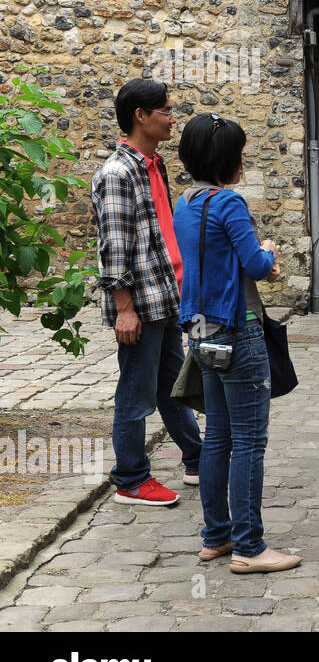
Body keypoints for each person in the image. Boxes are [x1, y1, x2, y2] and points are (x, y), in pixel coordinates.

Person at [172, 112, 300, 574]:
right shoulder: (229, 204)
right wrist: (270, 254)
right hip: (238, 327)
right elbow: (256, 264)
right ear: (229, 160)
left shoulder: (183, 204)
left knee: (219, 437)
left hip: (200, 328)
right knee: (249, 440)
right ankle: (250, 546)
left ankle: (216, 536)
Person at [90, 79, 202, 507]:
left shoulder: (153, 165)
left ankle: (196, 458)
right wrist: (124, 308)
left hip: (165, 297)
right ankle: (132, 479)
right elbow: (114, 246)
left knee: (174, 385)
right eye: (166, 111)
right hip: (139, 304)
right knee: (135, 392)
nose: (172, 119)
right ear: (142, 116)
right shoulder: (118, 174)